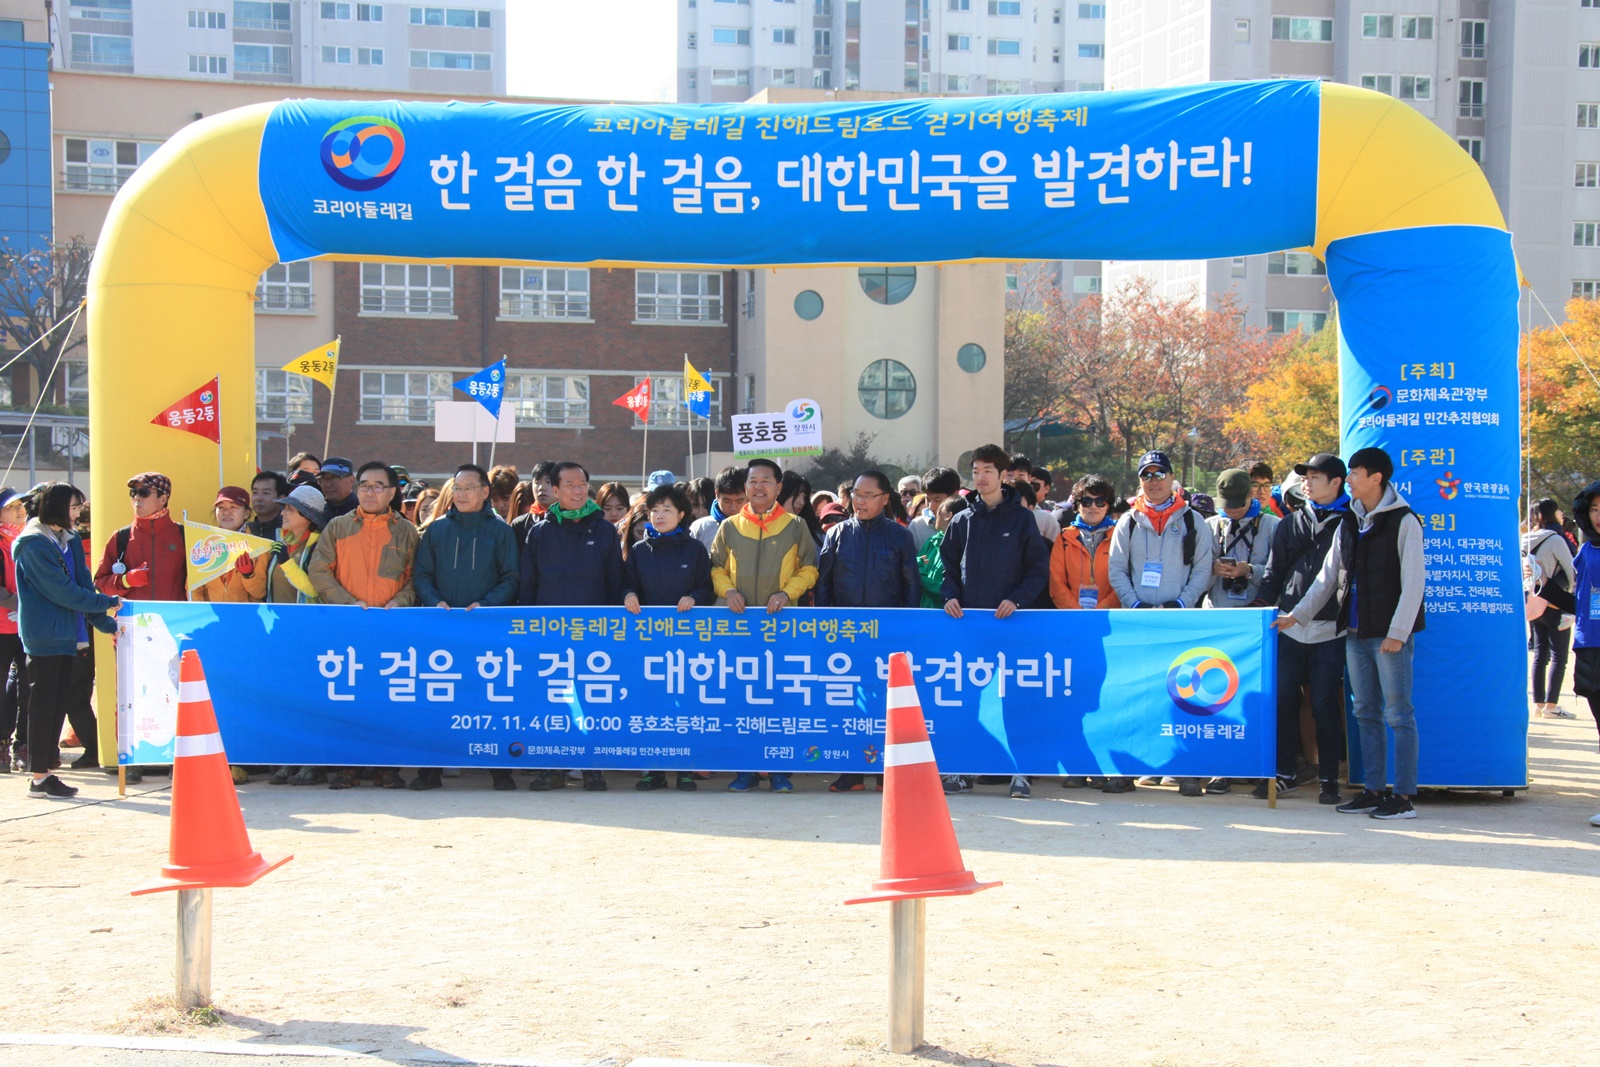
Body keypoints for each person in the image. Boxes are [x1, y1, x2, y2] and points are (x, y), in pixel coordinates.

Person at [1278, 447, 1424, 820]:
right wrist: (1298, 616)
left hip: (1389, 636)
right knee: (1365, 712)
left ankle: (1403, 796)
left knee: (1399, 714)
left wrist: (1398, 632)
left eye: (1356, 473)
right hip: (1355, 633)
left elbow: (1414, 583)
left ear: (1376, 478)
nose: (1351, 480)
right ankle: (1373, 790)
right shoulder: (1350, 522)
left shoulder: (1404, 520)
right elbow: (1327, 577)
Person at [940, 443, 1049, 799]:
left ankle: (1020, 773)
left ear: (1003, 475)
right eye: (976, 471)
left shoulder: (1022, 518)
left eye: (988, 471)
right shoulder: (962, 519)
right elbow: (948, 566)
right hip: (969, 626)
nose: (981, 477)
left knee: (1014, 701)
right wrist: (950, 595)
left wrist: (1017, 599)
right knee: (966, 701)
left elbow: (1038, 569)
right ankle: (962, 771)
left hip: (1011, 625)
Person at [1106, 450, 1214, 797]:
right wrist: (1134, 604)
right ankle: (1130, 769)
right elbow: (1116, 570)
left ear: (1172, 478)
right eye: (1146, 475)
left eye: (1159, 474)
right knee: (1136, 697)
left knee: (1183, 695)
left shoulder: (1193, 520)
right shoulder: (1128, 522)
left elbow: (1203, 569)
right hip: (1138, 622)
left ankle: (1186, 770)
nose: (1153, 481)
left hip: (1179, 622)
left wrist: (1182, 603)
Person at [710, 458, 818, 793]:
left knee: (779, 699)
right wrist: (728, 592)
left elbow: (810, 568)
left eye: (766, 481)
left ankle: (779, 770)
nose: (758, 487)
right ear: (745, 487)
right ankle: (745, 769)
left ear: (778, 487)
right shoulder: (730, 526)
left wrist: (788, 593)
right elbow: (715, 568)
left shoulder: (795, 525)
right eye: (753, 481)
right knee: (741, 700)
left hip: (781, 628)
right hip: (739, 629)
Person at [308, 461, 419, 791]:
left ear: (392, 491)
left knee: (388, 701)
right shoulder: (338, 527)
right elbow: (319, 571)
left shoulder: (407, 531)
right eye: (365, 485)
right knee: (347, 700)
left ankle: (388, 768)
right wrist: (347, 603)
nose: (370, 492)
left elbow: (416, 577)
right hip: (348, 629)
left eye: (378, 486)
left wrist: (400, 601)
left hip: (390, 630)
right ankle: (347, 767)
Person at [1250, 453, 1354, 804]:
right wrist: (1260, 609)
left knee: (1324, 703)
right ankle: (1283, 773)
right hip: (1288, 626)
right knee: (1282, 700)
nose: (1306, 484)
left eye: (1315, 477)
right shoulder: (1289, 523)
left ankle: (1329, 777)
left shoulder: (1352, 521)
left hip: (1332, 629)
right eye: (1305, 478)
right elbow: (1274, 574)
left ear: (1337, 482)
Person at [518, 461, 625, 792]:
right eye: (570, 485)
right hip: (550, 635)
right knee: (553, 701)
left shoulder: (604, 531)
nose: (578, 491)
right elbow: (528, 587)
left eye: (582, 485)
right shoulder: (540, 532)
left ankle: (592, 767)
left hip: (593, 633)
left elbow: (615, 583)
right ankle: (553, 767)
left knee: (592, 701)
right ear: (555, 490)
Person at [413, 463, 520, 791]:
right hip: (442, 628)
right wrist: (434, 601)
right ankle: (430, 771)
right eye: (457, 488)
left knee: (487, 699)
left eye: (468, 488)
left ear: (485, 492)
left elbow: (511, 577)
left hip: (485, 628)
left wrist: (486, 604)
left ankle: (499, 770)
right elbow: (422, 574)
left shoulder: (500, 531)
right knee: (438, 700)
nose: (460, 494)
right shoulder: (437, 530)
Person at [816, 470, 920, 794]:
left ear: (885, 499)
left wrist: (905, 629)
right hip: (846, 635)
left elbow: (911, 586)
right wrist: (827, 627)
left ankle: (887, 772)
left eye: (867, 496)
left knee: (887, 705)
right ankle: (852, 771)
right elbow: (823, 584)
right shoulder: (838, 534)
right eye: (855, 495)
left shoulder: (900, 536)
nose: (859, 502)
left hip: (886, 635)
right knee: (851, 704)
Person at [15, 483, 121, 798]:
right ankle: (39, 776)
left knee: (58, 704)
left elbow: (82, 584)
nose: (77, 514)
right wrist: (107, 603)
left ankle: (46, 773)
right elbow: (61, 590)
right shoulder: (32, 544)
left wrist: (105, 623)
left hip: (70, 636)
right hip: (45, 637)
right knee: (43, 706)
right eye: (73, 507)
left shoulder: (69, 538)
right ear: (56, 507)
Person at [623, 482, 715, 792]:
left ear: (681, 514)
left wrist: (694, 597)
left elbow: (707, 588)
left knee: (685, 705)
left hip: (686, 642)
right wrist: (629, 594)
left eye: (666, 510)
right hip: (648, 643)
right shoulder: (640, 550)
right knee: (651, 704)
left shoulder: (695, 549)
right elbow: (627, 584)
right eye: (654, 510)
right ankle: (654, 770)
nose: (659, 515)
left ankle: (685, 769)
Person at [1530, 480, 1600, 825]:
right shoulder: (1586, 552)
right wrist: (1544, 586)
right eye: (1594, 509)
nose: (1598, 515)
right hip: (1589, 648)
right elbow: (1581, 604)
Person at [93, 472, 187, 604]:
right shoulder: (121, 536)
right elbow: (99, 584)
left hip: (174, 616)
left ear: (163, 499)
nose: (136, 497)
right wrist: (126, 581)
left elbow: (200, 587)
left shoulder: (184, 535)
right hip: (132, 616)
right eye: (133, 492)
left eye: (144, 492)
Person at [1524, 498, 1577, 720]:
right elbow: (1571, 569)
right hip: (1554, 602)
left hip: (1533, 603)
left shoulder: (1525, 538)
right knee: (1559, 656)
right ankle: (1551, 706)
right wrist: (1569, 596)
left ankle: (1538, 704)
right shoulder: (1555, 539)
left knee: (1539, 655)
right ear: (1550, 514)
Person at [1050, 474, 1120, 611]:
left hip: (1110, 615)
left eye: (1100, 501)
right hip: (1073, 616)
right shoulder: (1064, 538)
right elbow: (1056, 583)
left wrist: (1101, 610)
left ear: (1108, 505)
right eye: (1086, 501)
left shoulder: (1119, 536)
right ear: (1077, 504)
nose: (1093, 506)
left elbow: (1125, 580)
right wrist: (1077, 613)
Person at [191, 487, 260, 604]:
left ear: (246, 513)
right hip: (211, 613)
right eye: (221, 507)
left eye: (233, 507)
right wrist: (203, 611)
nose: (226, 512)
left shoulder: (259, 547)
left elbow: (260, 593)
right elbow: (194, 589)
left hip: (246, 614)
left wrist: (249, 575)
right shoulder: (204, 544)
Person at [917, 496, 966, 609]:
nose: (934, 515)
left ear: (948, 516)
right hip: (925, 611)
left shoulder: (962, 546)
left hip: (949, 613)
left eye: (938, 512)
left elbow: (945, 588)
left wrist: (918, 574)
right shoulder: (931, 542)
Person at [691, 465, 747, 549]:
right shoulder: (701, 528)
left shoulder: (757, 527)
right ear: (716, 494)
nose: (733, 507)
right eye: (727, 501)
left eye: (739, 501)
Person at [909, 467, 961, 550]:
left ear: (955, 495)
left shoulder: (969, 523)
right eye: (928, 500)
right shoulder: (917, 526)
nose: (931, 506)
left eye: (937, 500)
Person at [248, 472, 288, 539]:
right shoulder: (245, 531)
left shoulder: (289, 531)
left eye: (266, 493)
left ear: (281, 499)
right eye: (255, 492)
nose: (258, 498)